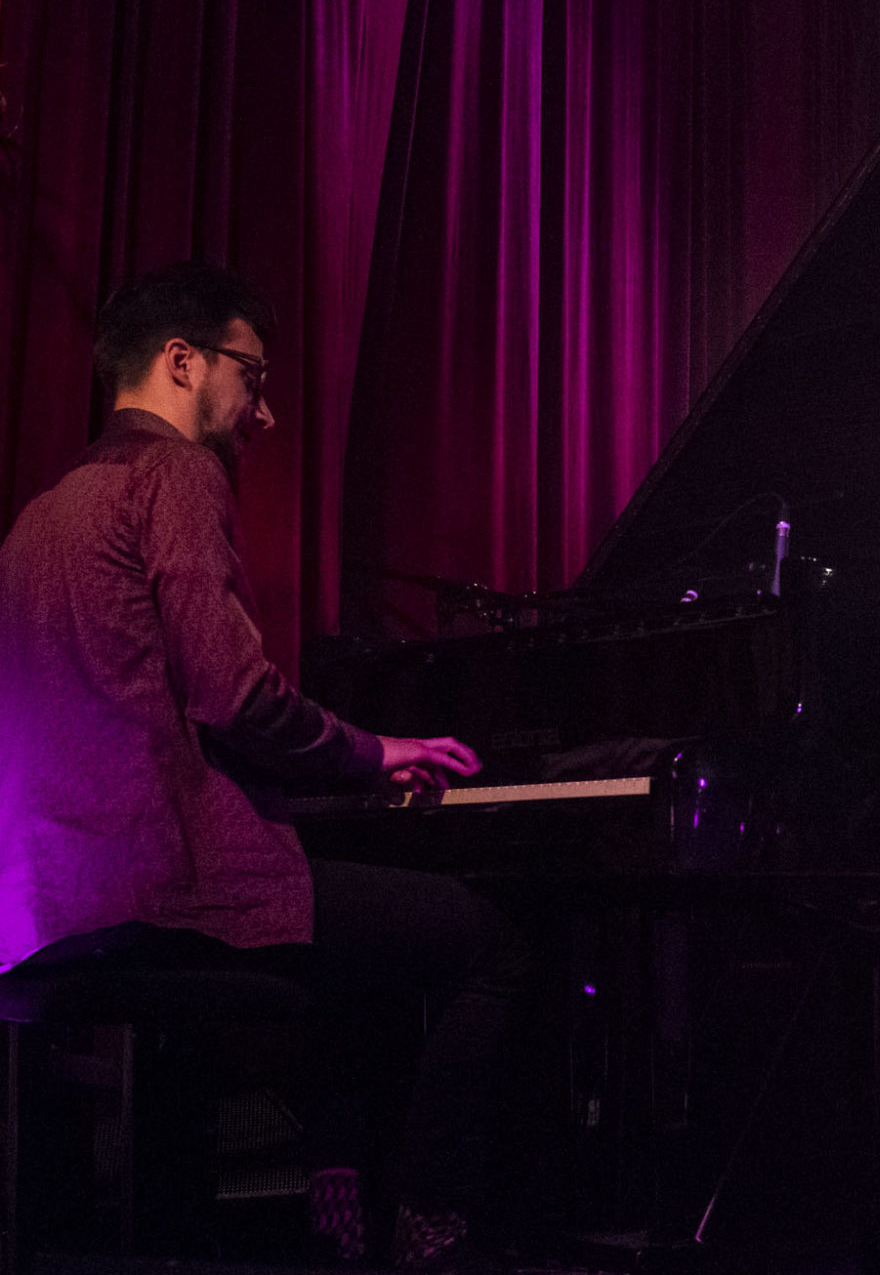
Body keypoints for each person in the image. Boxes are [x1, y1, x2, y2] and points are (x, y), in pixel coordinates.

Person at [0, 263, 532, 1268]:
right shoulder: (174, 475)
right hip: (168, 888)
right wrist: (376, 752)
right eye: (251, 375)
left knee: (352, 935)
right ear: (181, 361)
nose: (265, 412)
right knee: (483, 940)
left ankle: (335, 1179)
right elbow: (237, 696)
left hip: (47, 907)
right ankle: (434, 1220)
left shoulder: (42, 514)